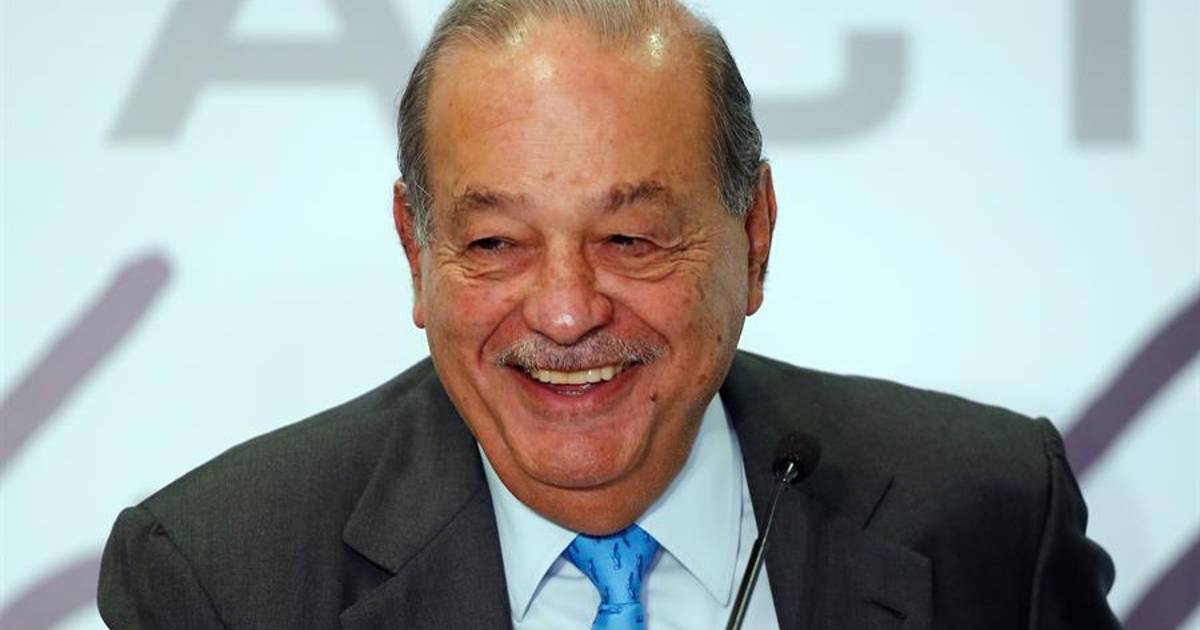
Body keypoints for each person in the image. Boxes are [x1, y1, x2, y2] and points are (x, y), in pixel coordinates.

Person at [97, 1, 1121, 628]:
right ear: (417, 250)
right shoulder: (220, 579)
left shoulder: (989, 511)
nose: (566, 312)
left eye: (630, 239)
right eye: (494, 244)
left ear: (753, 237)